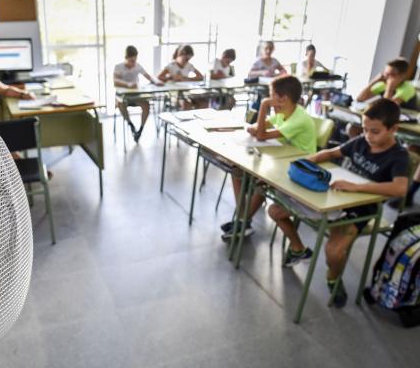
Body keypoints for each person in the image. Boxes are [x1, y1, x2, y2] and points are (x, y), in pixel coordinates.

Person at [268, 98, 409, 307]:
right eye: (365, 129)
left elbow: (400, 188)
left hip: (362, 207)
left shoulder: (398, 156)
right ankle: (297, 248)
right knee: (275, 210)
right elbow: (333, 153)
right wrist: (311, 160)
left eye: (375, 131)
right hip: (336, 196)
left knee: (334, 251)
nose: (368, 136)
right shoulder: (361, 141)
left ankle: (333, 277)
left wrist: (358, 187)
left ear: (393, 129)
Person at [220, 75, 316, 241]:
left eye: (272, 96)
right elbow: (260, 128)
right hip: (283, 160)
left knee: (260, 182)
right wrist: (255, 129)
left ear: (283, 98)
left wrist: (264, 106)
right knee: (237, 171)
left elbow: (262, 135)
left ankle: (243, 222)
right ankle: (243, 222)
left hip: (300, 168)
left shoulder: (299, 118)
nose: (270, 99)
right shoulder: (282, 112)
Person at [349, 58, 417, 138]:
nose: (387, 77)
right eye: (386, 73)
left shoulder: (407, 88)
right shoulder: (383, 84)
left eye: (391, 74)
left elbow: (386, 108)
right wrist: (375, 80)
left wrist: (389, 88)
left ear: (402, 76)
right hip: (384, 121)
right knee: (353, 128)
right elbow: (360, 99)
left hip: (403, 126)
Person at [114, 45, 162, 143]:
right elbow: (115, 81)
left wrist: (156, 82)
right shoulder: (118, 67)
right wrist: (128, 84)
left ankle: (140, 129)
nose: (133, 63)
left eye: (134, 60)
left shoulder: (137, 66)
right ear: (126, 58)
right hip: (123, 96)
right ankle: (131, 125)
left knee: (146, 105)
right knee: (120, 104)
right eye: (131, 61)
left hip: (136, 96)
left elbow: (148, 76)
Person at [157, 45, 205, 109]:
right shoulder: (171, 65)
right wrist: (171, 77)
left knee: (204, 103)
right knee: (186, 104)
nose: (187, 61)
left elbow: (200, 77)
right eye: (186, 59)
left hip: (187, 91)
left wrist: (186, 79)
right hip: (174, 93)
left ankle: (196, 118)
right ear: (180, 55)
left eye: (189, 59)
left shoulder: (189, 65)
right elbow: (159, 77)